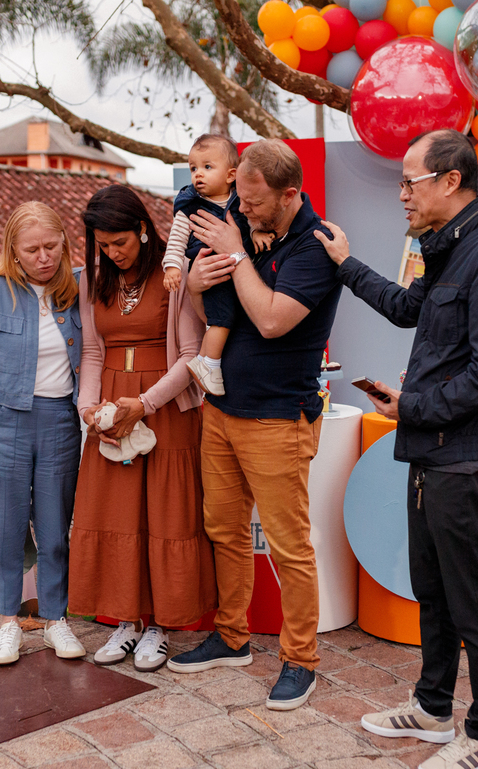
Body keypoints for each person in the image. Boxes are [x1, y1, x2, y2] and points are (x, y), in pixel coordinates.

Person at [315, 129, 478, 769]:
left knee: (474, 602)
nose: (402, 193)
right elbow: (411, 310)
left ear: (452, 181)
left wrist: (411, 407)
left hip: (467, 460)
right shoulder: (447, 250)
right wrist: (347, 265)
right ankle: (434, 708)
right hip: (433, 453)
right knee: (433, 593)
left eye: (411, 180)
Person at [168, 139, 342, 712]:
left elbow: (269, 321)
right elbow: (210, 311)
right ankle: (232, 636)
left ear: (290, 194)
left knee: (290, 547)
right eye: (237, 193)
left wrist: (237, 253)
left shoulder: (316, 248)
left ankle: (301, 660)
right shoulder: (239, 224)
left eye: (253, 199)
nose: (241, 207)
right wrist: (195, 285)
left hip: (276, 418)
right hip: (221, 410)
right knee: (224, 530)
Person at [69, 184, 217, 672]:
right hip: (111, 407)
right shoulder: (95, 279)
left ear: (142, 229)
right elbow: (93, 351)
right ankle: (126, 622)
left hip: (165, 408)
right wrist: (88, 410)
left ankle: (159, 626)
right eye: (104, 245)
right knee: (118, 513)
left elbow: (192, 355)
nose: (113, 253)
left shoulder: (174, 275)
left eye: (121, 243)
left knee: (164, 515)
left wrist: (146, 403)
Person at [0, 201, 86, 665]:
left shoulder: (79, 289)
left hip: (59, 423)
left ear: (64, 244)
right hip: (3, 424)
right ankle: (8, 622)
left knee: (53, 529)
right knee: (6, 530)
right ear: (13, 250)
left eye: (52, 246)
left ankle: (54, 619)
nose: (44, 257)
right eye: (32, 250)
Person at [161, 133, 274, 396]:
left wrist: (257, 234)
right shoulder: (189, 206)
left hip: (238, 271)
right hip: (212, 271)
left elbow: (249, 225)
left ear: (231, 175)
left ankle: (211, 362)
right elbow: (176, 239)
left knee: (237, 316)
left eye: (207, 167)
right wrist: (173, 268)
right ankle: (207, 363)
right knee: (222, 319)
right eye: (193, 168)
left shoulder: (240, 202)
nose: (197, 174)